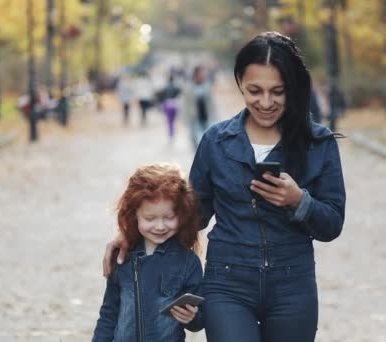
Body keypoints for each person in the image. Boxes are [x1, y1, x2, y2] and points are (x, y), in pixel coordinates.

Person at [103, 32, 346, 342]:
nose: (266, 103)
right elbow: (192, 215)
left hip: (293, 285)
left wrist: (300, 201)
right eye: (255, 91)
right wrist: (132, 236)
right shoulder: (216, 141)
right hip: (227, 284)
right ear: (239, 84)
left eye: (278, 92)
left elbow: (332, 224)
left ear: (292, 89)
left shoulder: (318, 143)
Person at [92, 163, 204, 342]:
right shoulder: (122, 257)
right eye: (149, 218)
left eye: (169, 218)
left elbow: (199, 320)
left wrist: (193, 318)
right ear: (134, 214)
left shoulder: (188, 262)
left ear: (182, 214)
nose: (160, 226)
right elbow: (109, 313)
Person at [182, 65, 217, 149]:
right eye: (202, 74)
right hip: (194, 117)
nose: (204, 76)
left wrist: (214, 116)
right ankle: (197, 155)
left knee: (208, 138)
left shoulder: (207, 86)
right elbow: (185, 104)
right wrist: (185, 119)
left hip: (206, 116)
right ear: (196, 75)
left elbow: (211, 103)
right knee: (195, 138)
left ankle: (205, 154)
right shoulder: (189, 87)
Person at [159, 75, 182, 142]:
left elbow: (161, 95)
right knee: (174, 120)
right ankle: (173, 132)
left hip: (168, 104)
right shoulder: (176, 87)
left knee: (169, 121)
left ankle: (171, 133)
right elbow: (180, 92)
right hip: (175, 104)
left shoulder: (165, 87)